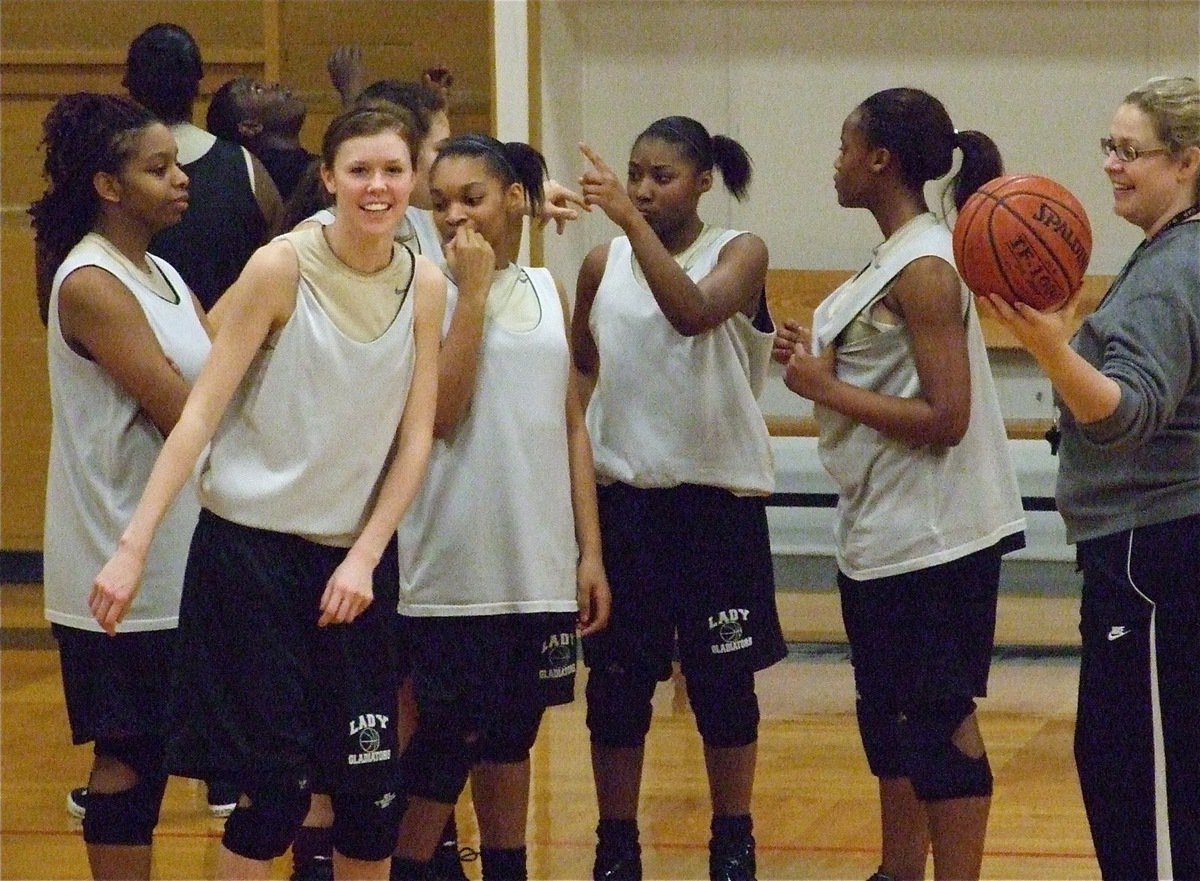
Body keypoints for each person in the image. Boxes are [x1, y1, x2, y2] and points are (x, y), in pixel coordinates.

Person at [91, 101, 445, 881]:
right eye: (359, 170)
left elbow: (416, 440)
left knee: (369, 800)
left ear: (414, 178)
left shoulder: (425, 286)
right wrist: (133, 546)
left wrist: (365, 556)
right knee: (275, 796)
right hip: (251, 560)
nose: (377, 186)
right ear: (328, 178)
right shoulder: (281, 266)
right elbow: (197, 418)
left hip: (353, 566)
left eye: (393, 169)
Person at [773, 88, 1026, 881]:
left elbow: (947, 414)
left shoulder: (925, 266)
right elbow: (876, 358)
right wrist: (818, 356)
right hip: (883, 528)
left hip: (936, 533)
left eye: (846, 146)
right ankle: (896, 871)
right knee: (889, 722)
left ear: (880, 160)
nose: (836, 161)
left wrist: (823, 386)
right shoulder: (895, 255)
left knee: (938, 722)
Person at [979, 75, 1200, 881]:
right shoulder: (1168, 252)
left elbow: (1126, 413)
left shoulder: (1179, 265)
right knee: (1123, 769)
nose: (1110, 164)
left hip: (1154, 554)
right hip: (1153, 548)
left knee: (1145, 789)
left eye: (1129, 150)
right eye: (1108, 146)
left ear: (1187, 163)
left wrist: (1049, 347)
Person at [388, 132, 611, 881]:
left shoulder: (548, 289)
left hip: (536, 561)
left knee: (512, 737)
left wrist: (589, 551)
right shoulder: (421, 288)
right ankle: (409, 866)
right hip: (452, 565)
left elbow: (572, 425)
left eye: (472, 198)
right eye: (441, 200)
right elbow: (443, 413)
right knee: (447, 738)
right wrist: (473, 292)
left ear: (514, 199)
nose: (455, 215)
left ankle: (509, 867)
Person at [572, 117, 787, 881]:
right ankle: (616, 843)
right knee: (618, 689)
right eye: (634, 173)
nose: (640, 188)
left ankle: (733, 839)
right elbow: (584, 368)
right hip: (628, 504)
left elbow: (693, 314)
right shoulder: (601, 265)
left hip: (715, 507)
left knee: (725, 687)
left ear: (702, 182)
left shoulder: (741, 251)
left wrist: (633, 226)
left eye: (660, 175)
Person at [30, 92, 209, 880]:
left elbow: (219, 371)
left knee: (182, 747)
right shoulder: (92, 283)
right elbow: (180, 407)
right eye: (158, 167)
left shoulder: (162, 270)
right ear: (108, 185)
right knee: (129, 753)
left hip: (181, 553)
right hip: (115, 560)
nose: (180, 180)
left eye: (178, 164)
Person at [123, 22, 282, 311]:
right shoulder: (247, 168)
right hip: (230, 347)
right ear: (198, 86)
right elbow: (283, 275)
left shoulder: (104, 174)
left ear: (129, 89)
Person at [206, 75, 317, 202]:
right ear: (251, 126)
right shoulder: (274, 179)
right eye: (258, 89)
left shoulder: (301, 165)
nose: (273, 85)